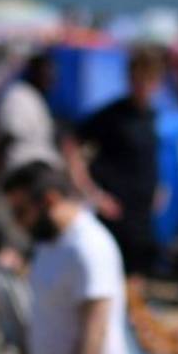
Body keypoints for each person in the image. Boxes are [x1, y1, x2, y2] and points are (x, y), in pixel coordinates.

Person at [2, 161, 129, 354]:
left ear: (49, 200)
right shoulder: (50, 240)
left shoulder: (88, 248)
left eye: (20, 212)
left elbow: (95, 332)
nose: (17, 224)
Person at [64, 45, 163, 276]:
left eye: (149, 79)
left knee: (138, 271)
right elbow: (71, 146)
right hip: (114, 210)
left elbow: (147, 156)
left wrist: (158, 186)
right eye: (138, 79)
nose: (143, 86)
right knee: (110, 272)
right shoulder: (112, 115)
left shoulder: (152, 115)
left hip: (142, 210)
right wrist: (91, 192)